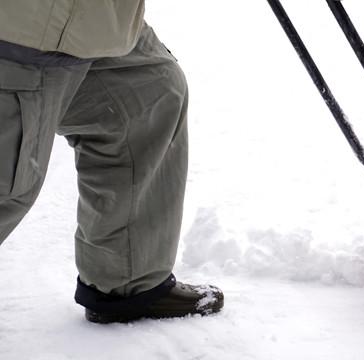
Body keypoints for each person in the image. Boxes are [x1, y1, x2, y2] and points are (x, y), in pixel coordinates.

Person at [0, 1, 224, 323]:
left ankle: (128, 280)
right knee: (9, 181)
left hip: (87, 18)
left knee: (145, 97)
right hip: (20, 30)